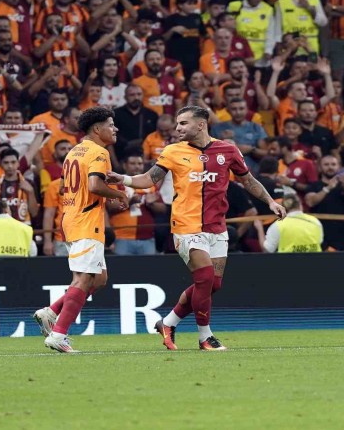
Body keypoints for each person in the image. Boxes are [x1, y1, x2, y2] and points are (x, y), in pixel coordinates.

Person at [108, 106, 286, 351]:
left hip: (217, 227)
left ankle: (168, 323)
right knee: (204, 277)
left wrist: (270, 202)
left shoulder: (228, 150)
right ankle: (205, 337)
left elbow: (248, 180)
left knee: (214, 284)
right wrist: (124, 179)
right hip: (186, 225)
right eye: (177, 123)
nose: (177, 128)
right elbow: (149, 178)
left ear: (201, 124)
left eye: (183, 123)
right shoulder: (173, 151)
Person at [33, 107, 129, 353]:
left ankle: (51, 312)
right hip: (86, 221)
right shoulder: (99, 152)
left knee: (99, 278)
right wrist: (118, 194)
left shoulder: (74, 151)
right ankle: (58, 335)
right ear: (97, 129)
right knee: (83, 279)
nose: (115, 128)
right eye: (111, 124)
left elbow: (66, 187)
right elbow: (94, 185)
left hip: (72, 217)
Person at [256, 194, 322, 253]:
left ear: (283, 208)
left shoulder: (278, 225)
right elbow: (319, 241)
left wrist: (260, 228)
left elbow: (267, 250)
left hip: (289, 262)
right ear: (300, 205)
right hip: (315, 262)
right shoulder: (315, 221)